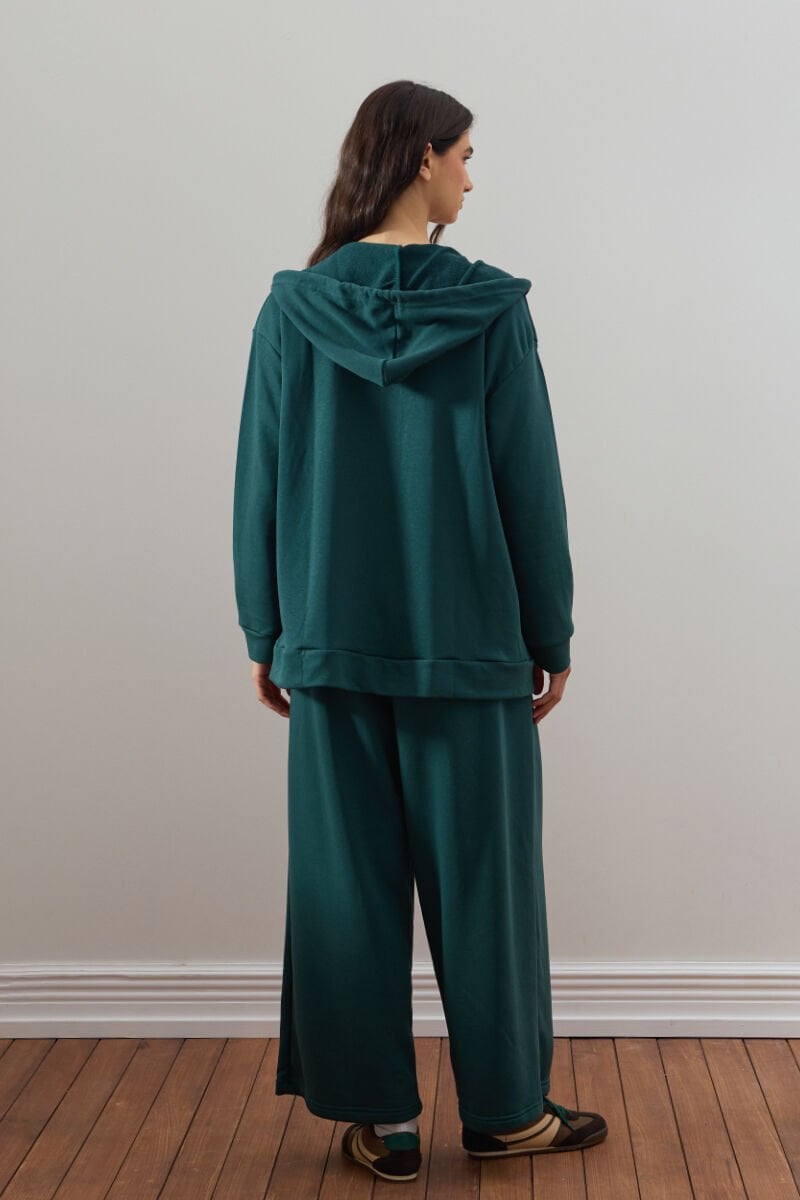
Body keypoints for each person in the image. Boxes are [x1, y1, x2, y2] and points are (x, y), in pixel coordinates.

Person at [232, 79, 607, 1184]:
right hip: (471, 647)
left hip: (331, 644)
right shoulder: (490, 309)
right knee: (487, 888)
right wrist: (550, 633)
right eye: (465, 155)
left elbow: (260, 481)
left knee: (345, 886)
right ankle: (506, 1114)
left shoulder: (293, 310)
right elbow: (528, 485)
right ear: (421, 159)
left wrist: (265, 628)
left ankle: (382, 1122)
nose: (470, 179)